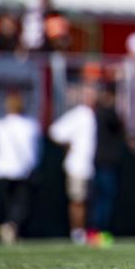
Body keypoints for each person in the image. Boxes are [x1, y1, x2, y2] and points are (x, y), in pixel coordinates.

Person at [0, 92, 42, 244]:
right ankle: (12, 225)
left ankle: (11, 226)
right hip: (22, 170)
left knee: (10, 201)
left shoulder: (0, 125)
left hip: (3, 169)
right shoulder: (30, 125)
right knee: (21, 203)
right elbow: (34, 150)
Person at [89, 85, 135, 246]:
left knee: (100, 198)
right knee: (105, 199)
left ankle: (95, 232)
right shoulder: (107, 113)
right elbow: (122, 129)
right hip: (106, 162)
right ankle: (99, 232)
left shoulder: (98, 113)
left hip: (100, 161)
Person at [49, 83, 97, 244]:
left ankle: (85, 231)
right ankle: (77, 233)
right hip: (78, 165)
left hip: (90, 166)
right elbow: (55, 131)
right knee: (78, 200)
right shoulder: (79, 114)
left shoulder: (94, 114)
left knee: (87, 201)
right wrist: (69, 145)